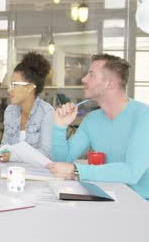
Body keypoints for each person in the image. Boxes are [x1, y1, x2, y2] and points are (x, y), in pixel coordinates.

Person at [47, 54, 149, 200]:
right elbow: (63, 160)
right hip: (109, 198)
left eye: (91, 74)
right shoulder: (92, 119)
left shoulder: (144, 116)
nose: (84, 79)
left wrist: (76, 171)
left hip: (142, 206)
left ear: (110, 83)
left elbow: (131, 172)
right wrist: (60, 127)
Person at [0, 52, 54, 162]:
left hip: (36, 175)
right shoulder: (10, 111)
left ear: (29, 87)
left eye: (14, 85)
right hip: (11, 173)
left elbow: (46, 154)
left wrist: (13, 156)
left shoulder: (47, 113)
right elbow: (6, 146)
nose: (9, 90)